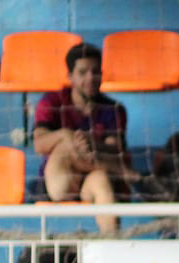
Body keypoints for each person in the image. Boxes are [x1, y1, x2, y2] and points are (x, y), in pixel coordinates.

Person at [33, 41, 130, 234]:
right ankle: (123, 172)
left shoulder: (114, 109)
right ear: (70, 77)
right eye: (83, 72)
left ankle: (112, 246)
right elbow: (39, 144)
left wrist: (88, 144)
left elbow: (115, 148)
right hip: (60, 180)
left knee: (102, 180)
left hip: (91, 178)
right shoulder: (51, 102)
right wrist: (66, 135)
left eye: (95, 72)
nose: (91, 78)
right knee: (65, 143)